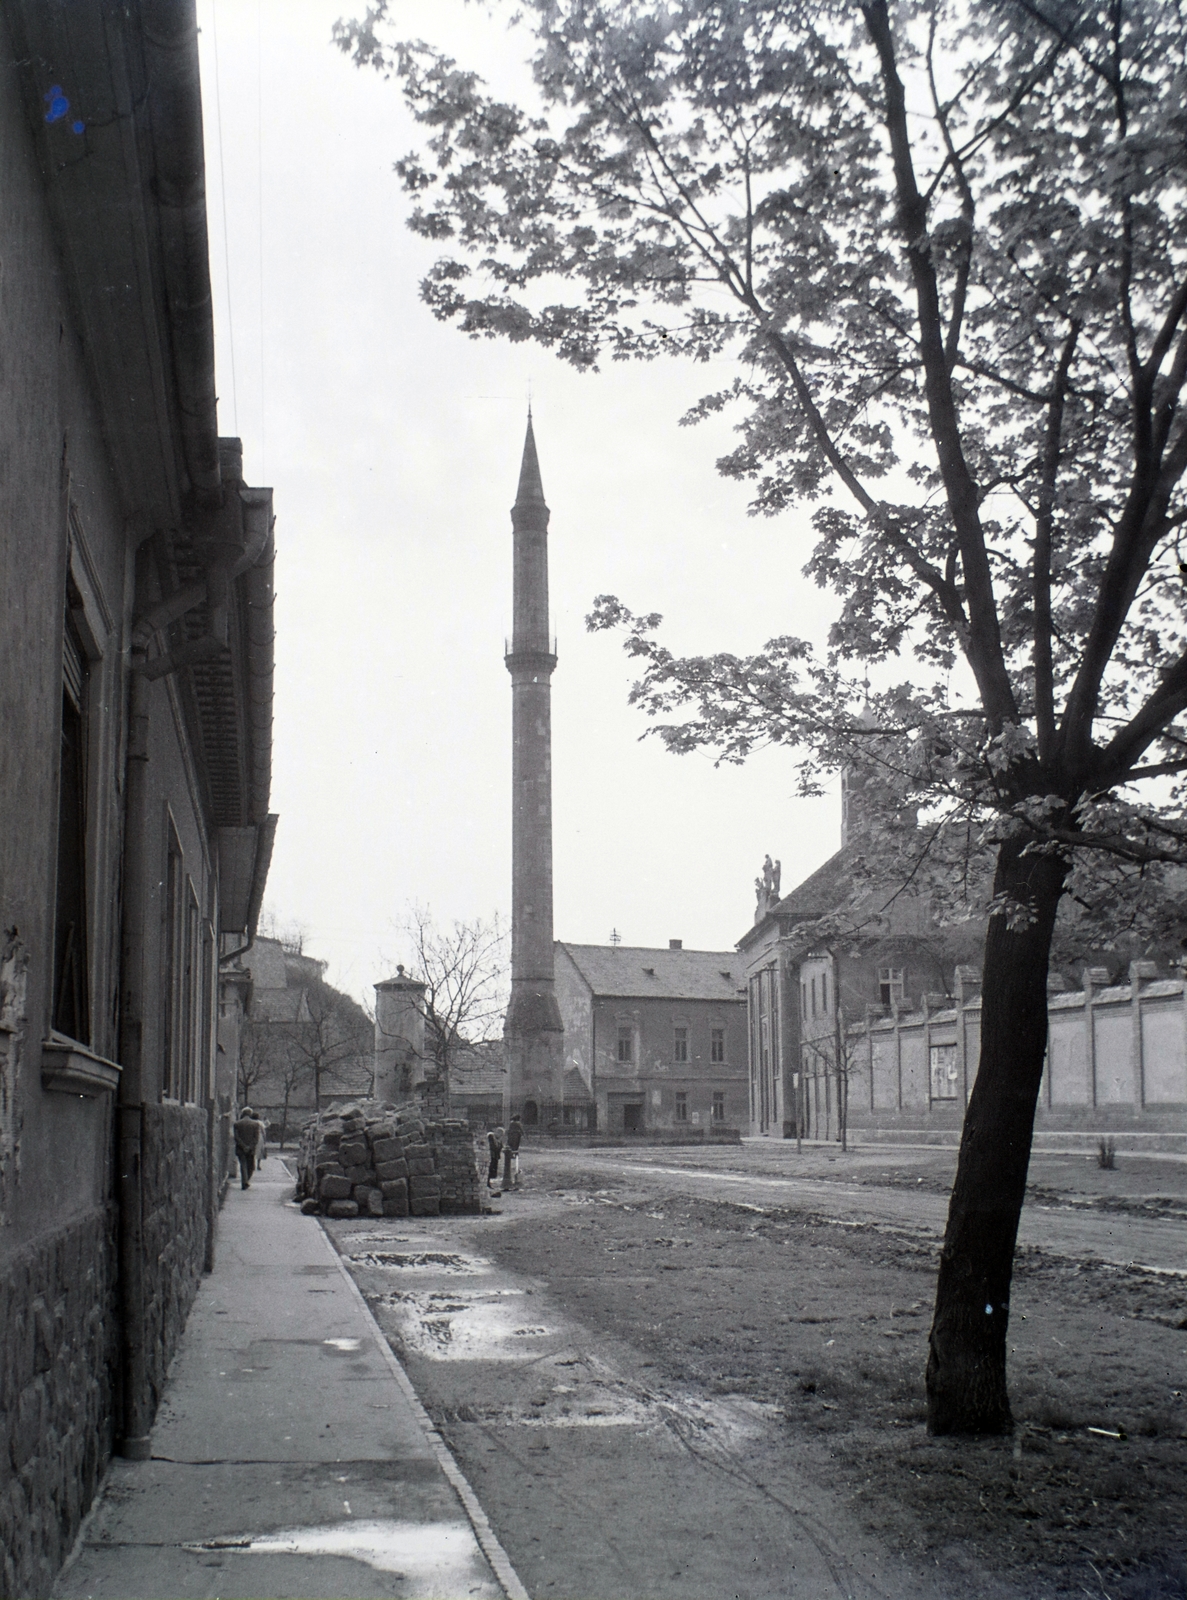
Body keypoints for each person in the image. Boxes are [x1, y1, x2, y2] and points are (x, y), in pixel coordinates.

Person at [233, 1106, 266, 1190]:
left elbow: (236, 1137)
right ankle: (246, 1181)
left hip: (240, 1148)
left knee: (243, 1165)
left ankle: (245, 1181)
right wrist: (250, 1147)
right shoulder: (255, 1124)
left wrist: (243, 1146)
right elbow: (256, 1138)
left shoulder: (237, 1124)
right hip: (251, 1149)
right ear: (250, 1114)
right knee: (251, 1166)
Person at [504, 1115, 523, 1191]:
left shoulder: (511, 1124)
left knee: (511, 1145)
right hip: (516, 1135)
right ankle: (514, 1153)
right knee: (515, 1145)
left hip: (511, 1136)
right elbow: (521, 1130)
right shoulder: (518, 1124)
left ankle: (511, 1153)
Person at [487, 1125, 504, 1195]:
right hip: (492, 1156)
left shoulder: (497, 1139)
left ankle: (488, 1183)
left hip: (495, 1156)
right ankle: (487, 1183)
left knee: (492, 1171)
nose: (501, 1136)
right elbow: (494, 1147)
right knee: (490, 1170)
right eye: (501, 1134)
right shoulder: (491, 1136)